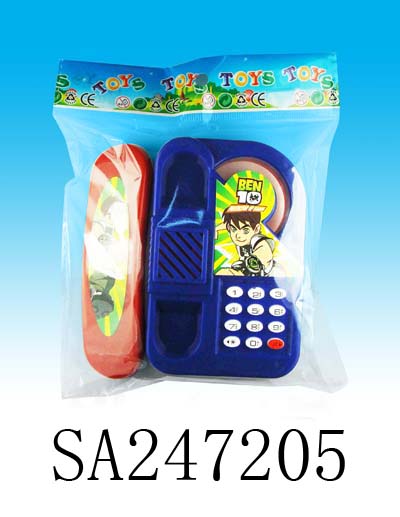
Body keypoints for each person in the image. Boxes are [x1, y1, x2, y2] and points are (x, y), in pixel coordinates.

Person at [216, 205, 275, 277]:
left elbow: (264, 252)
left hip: (270, 275)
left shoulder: (258, 239)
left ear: (256, 229)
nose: (238, 235)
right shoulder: (240, 236)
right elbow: (230, 224)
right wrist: (216, 228)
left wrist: (243, 268)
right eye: (234, 229)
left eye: (246, 230)